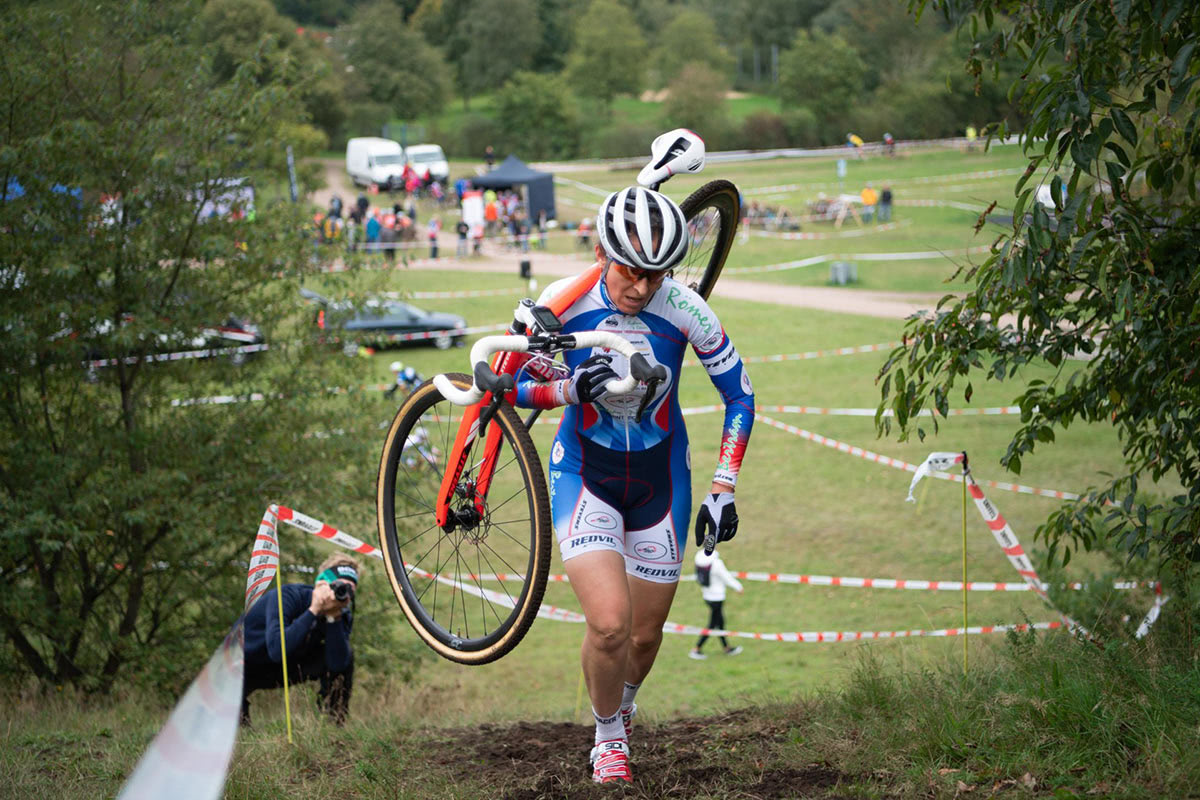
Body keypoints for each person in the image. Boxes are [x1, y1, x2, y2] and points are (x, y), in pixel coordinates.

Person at [513, 187, 755, 784]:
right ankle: (608, 738)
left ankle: (621, 708)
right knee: (610, 625)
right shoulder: (560, 302)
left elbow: (740, 396)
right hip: (584, 472)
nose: (642, 288)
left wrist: (723, 485)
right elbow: (509, 387)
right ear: (602, 251)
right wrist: (569, 389)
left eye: (657, 275)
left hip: (660, 480)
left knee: (644, 640)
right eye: (631, 272)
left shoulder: (687, 309)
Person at [241, 554, 359, 726]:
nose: (343, 595)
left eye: (350, 591)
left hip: (288, 665)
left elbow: (337, 664)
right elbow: (276, 649)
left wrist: (333, 618)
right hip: (245, 666)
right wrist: (314, 610)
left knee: (347, 656)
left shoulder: (341, 614)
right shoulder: (287, 596)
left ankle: (334, 724)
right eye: (340, 587)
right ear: (322, 583)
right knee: (234, 730)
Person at [689, 549, 744, 659]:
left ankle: (727, 648)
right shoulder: (716, 563)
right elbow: (726, 577)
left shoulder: (699, 557)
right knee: (713, 624)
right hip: (717, 597)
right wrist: (738, 587)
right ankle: (696, 649)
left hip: (707, 595)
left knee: (720, 623)